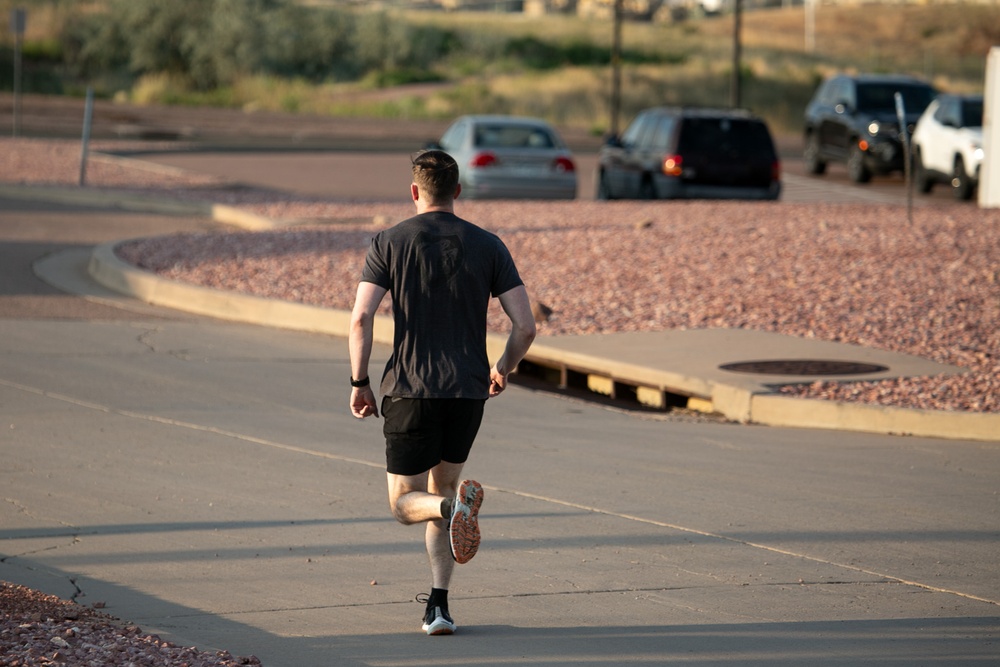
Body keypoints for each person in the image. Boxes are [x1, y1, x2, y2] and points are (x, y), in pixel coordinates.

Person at [348, 149, 536, 636]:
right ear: (458, 191)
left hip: (411, 390)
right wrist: (502, 367)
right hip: (468, 392)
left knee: (405, 503)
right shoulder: (489, 245)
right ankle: (438, 608)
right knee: (444, 487)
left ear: (414, 192)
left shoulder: (389, 242)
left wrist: (359, 381)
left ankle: (453, 511)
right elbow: (526, 327)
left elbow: (361, 318)